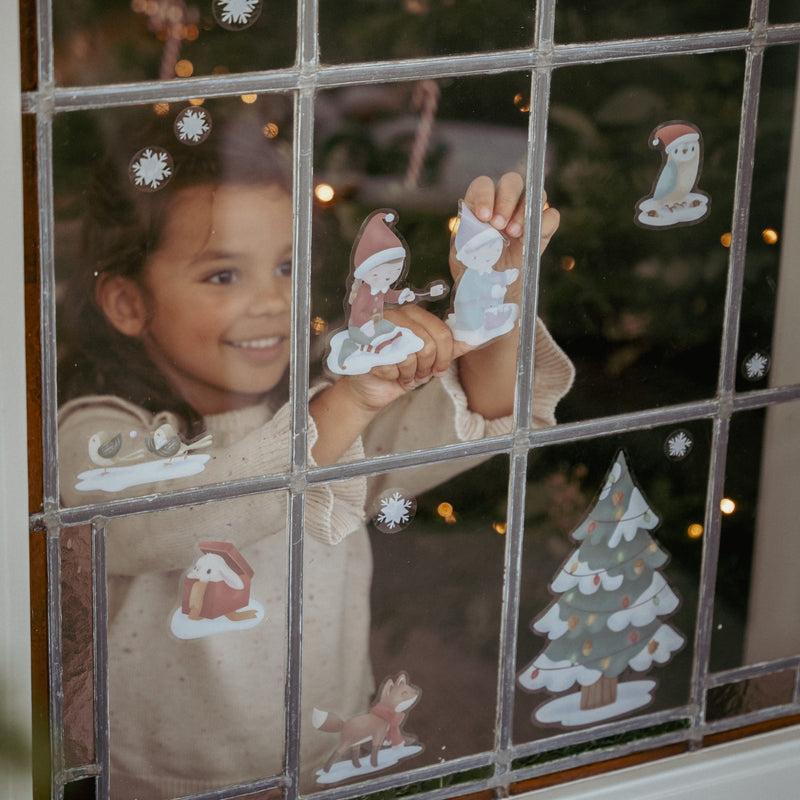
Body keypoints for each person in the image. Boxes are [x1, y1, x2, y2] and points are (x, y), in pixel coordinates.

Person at [57, 114, 574, 798]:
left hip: (320, 750)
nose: (272, 302)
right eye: (221, 276)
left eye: (286, 266)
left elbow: (480, 411)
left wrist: (496, 297)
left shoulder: (321, 404)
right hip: (156, 775)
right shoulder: (97, 432)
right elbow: (167, 517)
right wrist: (346, 406)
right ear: (129, 301)